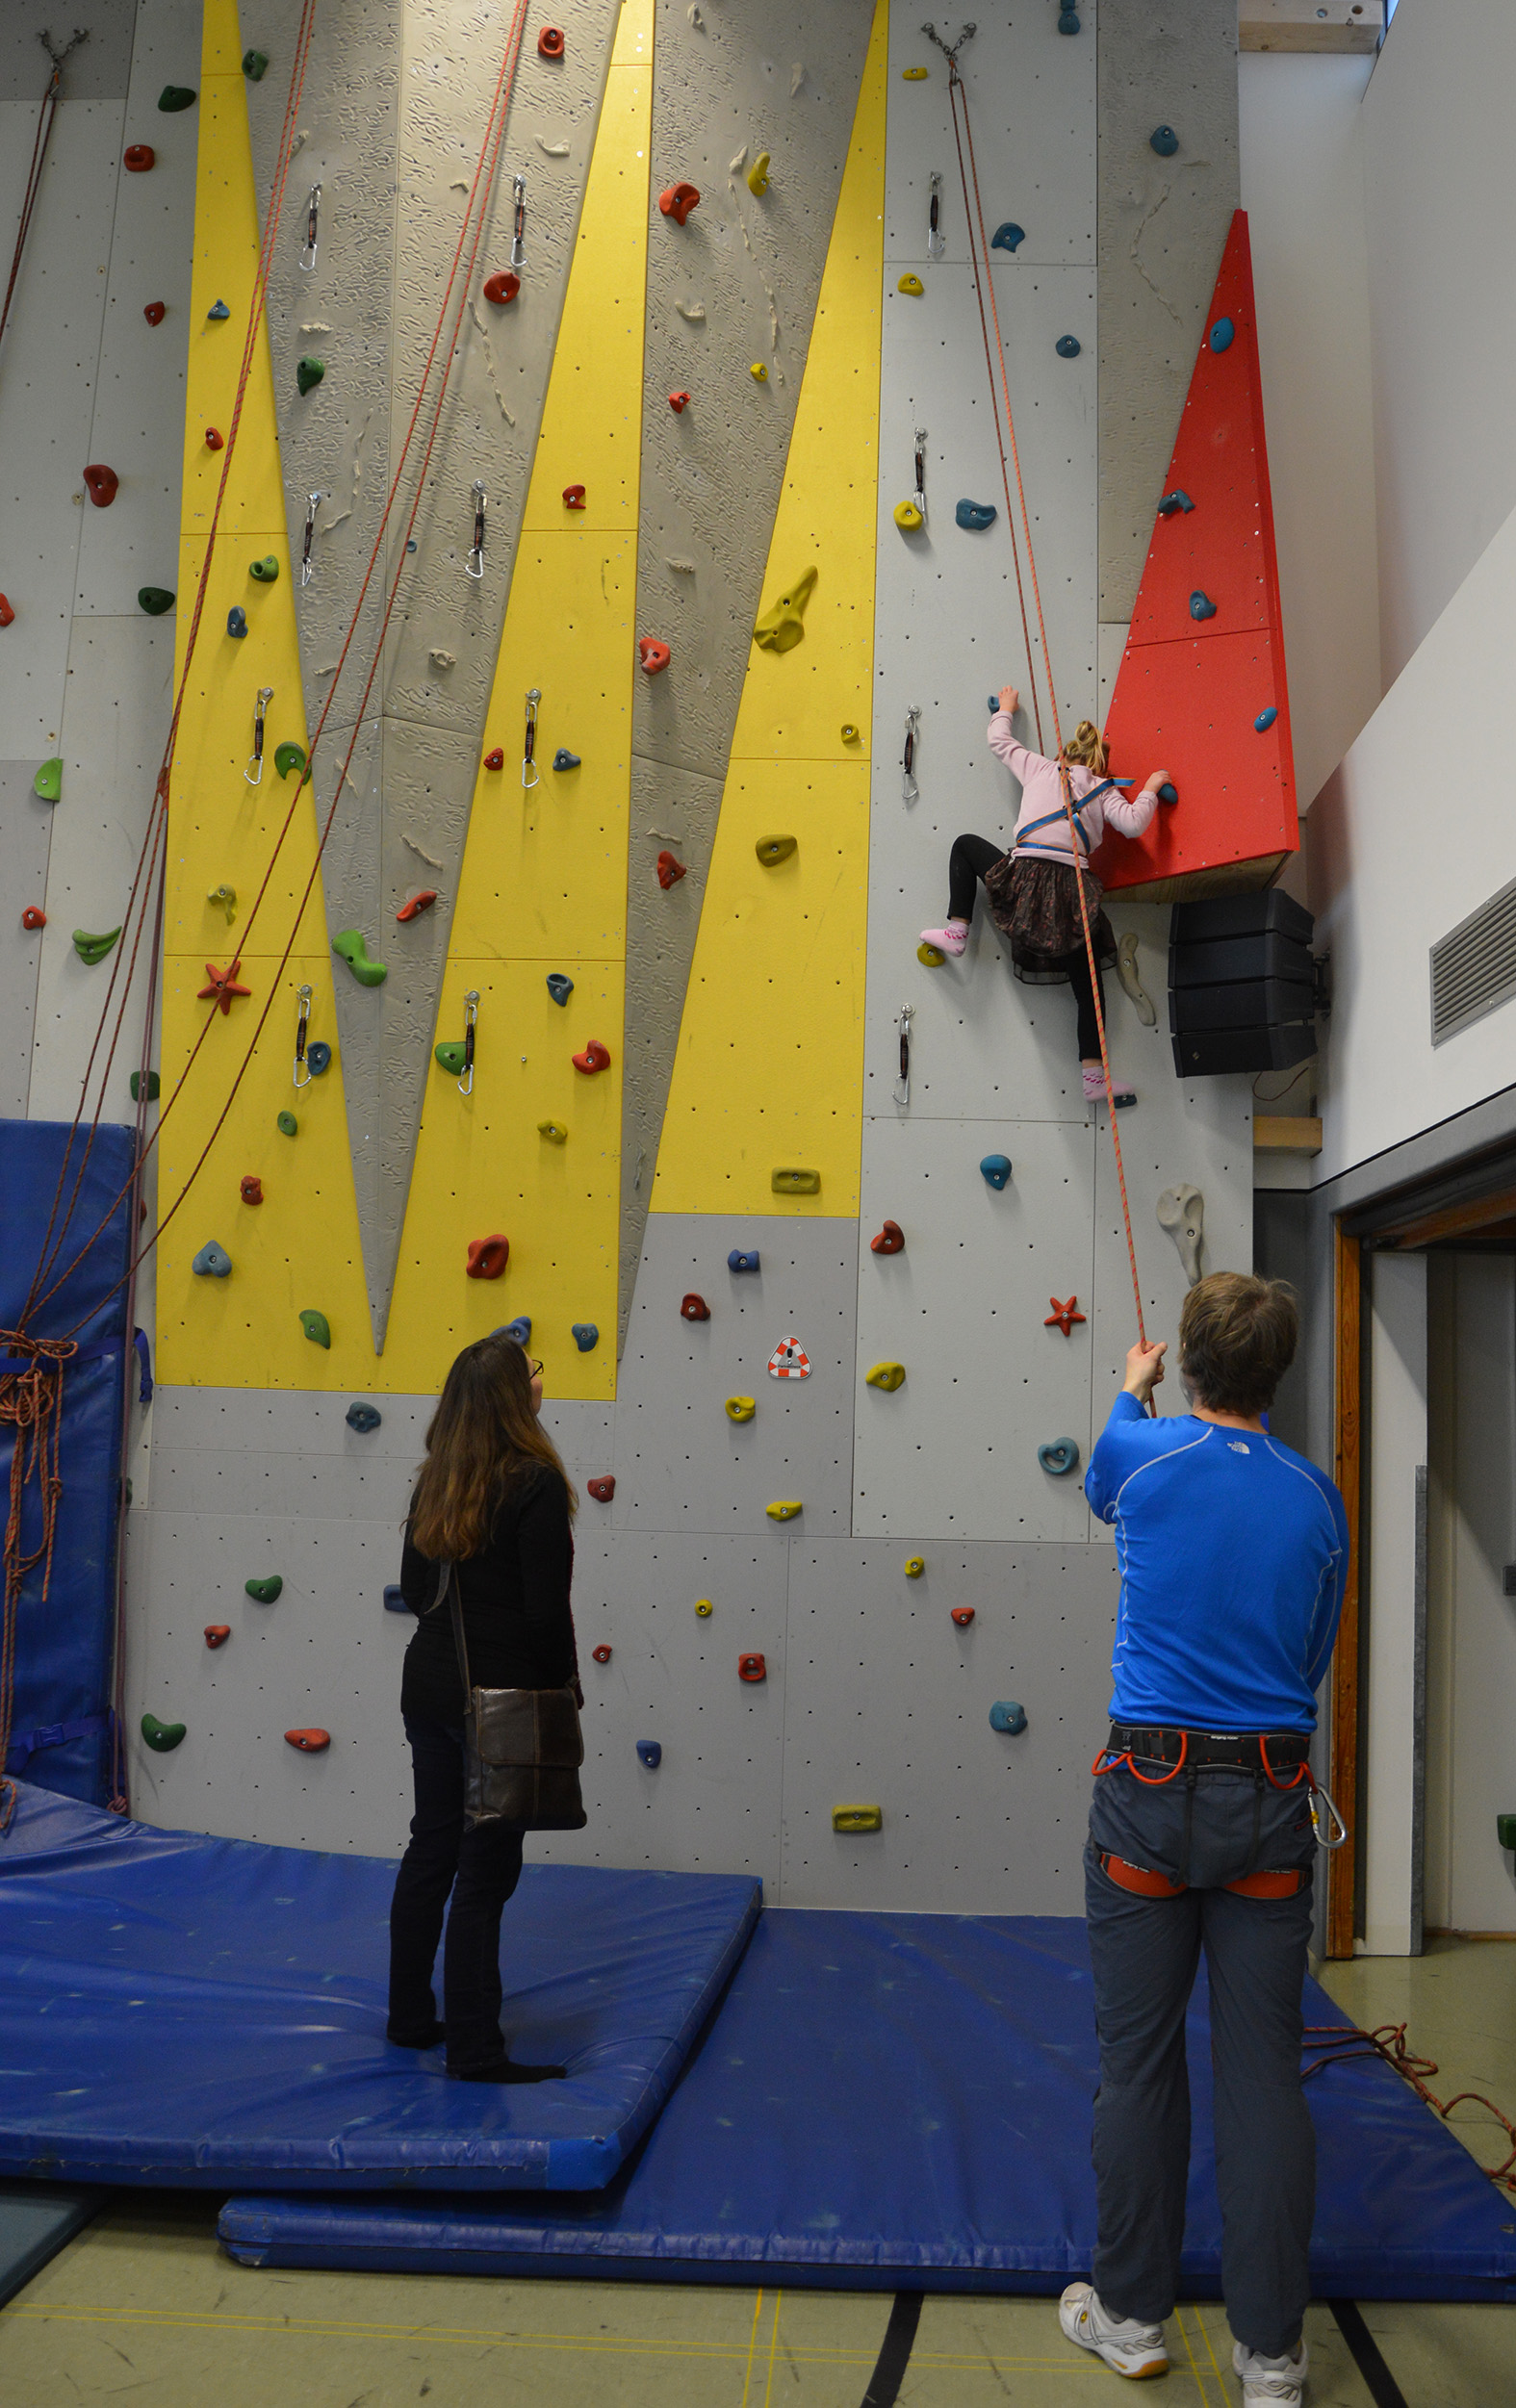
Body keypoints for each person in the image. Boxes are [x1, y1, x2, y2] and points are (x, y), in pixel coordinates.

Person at [1061, 1273, 1349, 2407]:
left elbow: (1103, 1476)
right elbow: (1310, 1656)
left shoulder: (1139, 1454)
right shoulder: (1316, 1497)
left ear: (1186, 1362)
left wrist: (1130, 1392)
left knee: (1137, 2067)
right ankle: (1270, 2360)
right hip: (1267, 1795)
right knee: (1265, 2077)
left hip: (1148, 1793)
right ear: (1277, 1372)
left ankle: (1132, 2319)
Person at [387, 1332, 581, 2083]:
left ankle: (410, 2018)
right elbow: (545, 1613)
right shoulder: (533, 1482)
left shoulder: (436, 1478)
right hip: (496, 1702)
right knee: (485, 1871)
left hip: (429, 1686)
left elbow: (415, 1591)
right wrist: (561, 1687)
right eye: (534, 1371)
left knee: (431, 1849)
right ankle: (474, 2048)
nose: (540, 1378)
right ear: (515, 1395)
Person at [919, 686, 1169, 1109]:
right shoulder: (1105, 789)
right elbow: (1132, 824)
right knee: (1089, 990)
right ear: (1098, 765)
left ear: (1062, 755)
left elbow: (999, 741)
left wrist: (1007, 709)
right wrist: (1150, 787)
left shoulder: (1040, 767)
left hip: (1026, 880)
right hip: (1071, 898)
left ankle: (957, 930)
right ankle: (1093, 1078)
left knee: (964, 844)